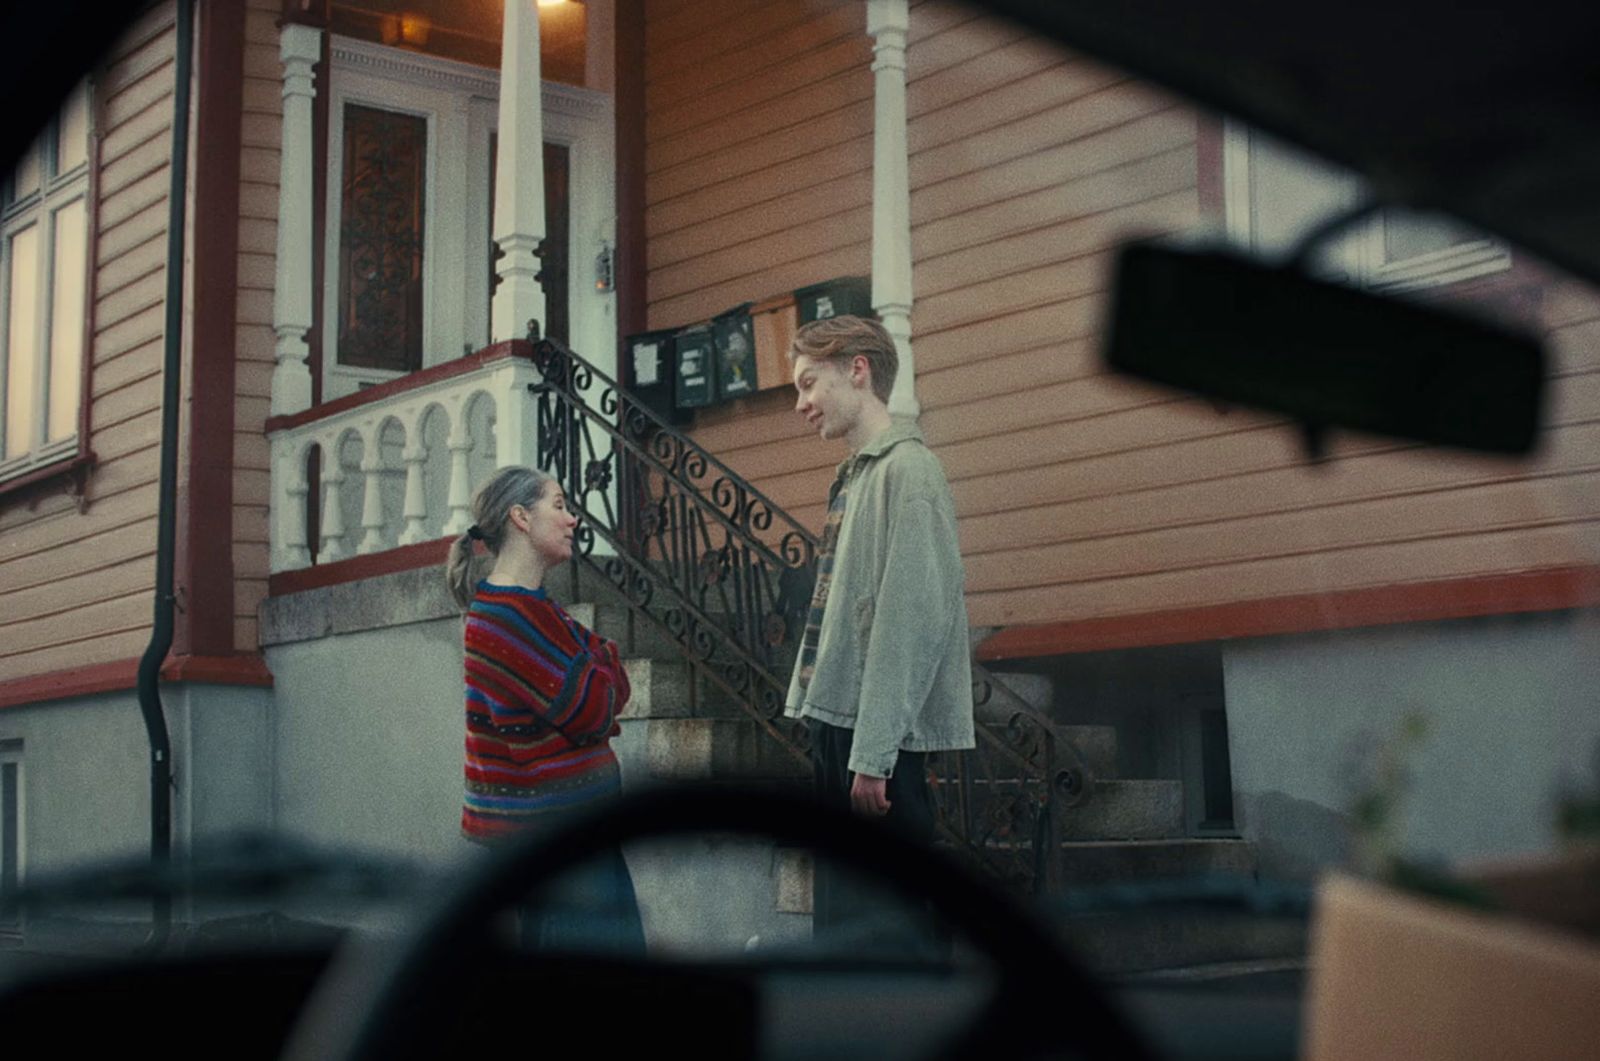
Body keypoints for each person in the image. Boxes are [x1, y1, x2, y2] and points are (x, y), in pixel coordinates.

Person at [783, 314, 976, 946]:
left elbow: (909, 621)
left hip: (877, 751)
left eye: (810, 383)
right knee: (844, 935)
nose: (801, 403)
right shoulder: (859, 473)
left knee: (884, 938)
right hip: (842, 730)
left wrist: (872, 757)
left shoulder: (908, 472)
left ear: (857, 370)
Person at [445, 465, 645, 954]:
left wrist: (600, 665)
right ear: (520, 517)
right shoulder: (505, 619)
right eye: (558, 505)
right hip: (557, 846)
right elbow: (597, 704)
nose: (572, 519)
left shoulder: (535, 609)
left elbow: (606, 673)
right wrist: (600, 665)